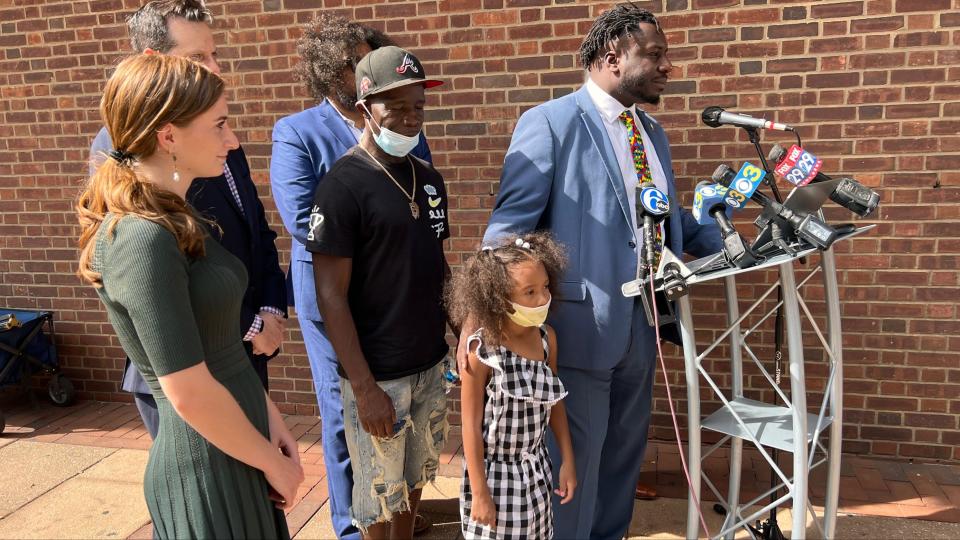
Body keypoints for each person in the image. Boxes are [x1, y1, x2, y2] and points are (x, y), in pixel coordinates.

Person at [462, 6, 723, 539]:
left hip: (645, 325)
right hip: (578, 332)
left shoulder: (651, 132)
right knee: (572, 471)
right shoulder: (551, 123)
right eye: (654, 54)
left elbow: (665, 218)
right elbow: (508, 231)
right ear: (612, 57)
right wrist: (484, 322)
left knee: (623, 461)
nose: (667, 66)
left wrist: (728, 232)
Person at [76, 53, 303, 539]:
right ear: (168, 136)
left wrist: (273, 421)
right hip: (206, 468)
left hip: (239, 445)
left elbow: (221, 348)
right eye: (220, 124)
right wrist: (273, 462)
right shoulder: (141, 237)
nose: (233, 139)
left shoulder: (177, 219)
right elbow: (187, 391)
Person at [89, 0, 287, 438]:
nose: (215, 69)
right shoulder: (124, 145)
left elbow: (255, 229)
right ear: (152, 62)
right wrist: (251, 325)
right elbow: (159, 275)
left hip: (246, 351)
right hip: (189, 364)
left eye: (214, 55)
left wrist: (270, 309)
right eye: (197, 58)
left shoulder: (216, 130)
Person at [269, 15, 433, 539]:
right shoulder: (297, 131)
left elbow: (416, 199)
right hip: (333, 297)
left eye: (368, 56)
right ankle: (350, 525)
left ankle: (396, 516)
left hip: (398, 300)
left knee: (403, 422)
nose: (363, 66)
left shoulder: (405, 121)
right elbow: (300, 215)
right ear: (332, 71)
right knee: (349, 417)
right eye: (352, 61)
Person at [306, 46, 449, 540]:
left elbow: (438, 268)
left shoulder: (428, 181)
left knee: (412, 485)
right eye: (397, 108)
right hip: (378, 376)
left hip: (429, 365)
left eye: (418, 108)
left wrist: (465, 328)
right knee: (377, 500)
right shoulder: (342, 186)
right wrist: (365, 389)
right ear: (366, 108)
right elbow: (330, 296)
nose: (410, 119)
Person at [448, 233, 577, 540]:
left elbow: (554, 402)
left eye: (545, 287)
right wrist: (479, 491)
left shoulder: (547, 340)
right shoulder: (482, 353)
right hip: (494, 479)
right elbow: (469, 426)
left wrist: (568, 460)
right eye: (529, 292)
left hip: (537, 473)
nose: (542, 299)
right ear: (497, 298)